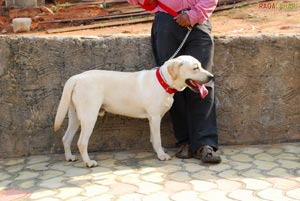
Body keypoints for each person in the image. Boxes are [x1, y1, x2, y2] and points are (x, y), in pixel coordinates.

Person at [128, 0, 221, 163]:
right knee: (170, 82)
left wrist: (194, 15)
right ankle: (184, 141)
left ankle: (205, 143)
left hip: (198, 24)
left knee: (202, 81)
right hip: (166, 23)